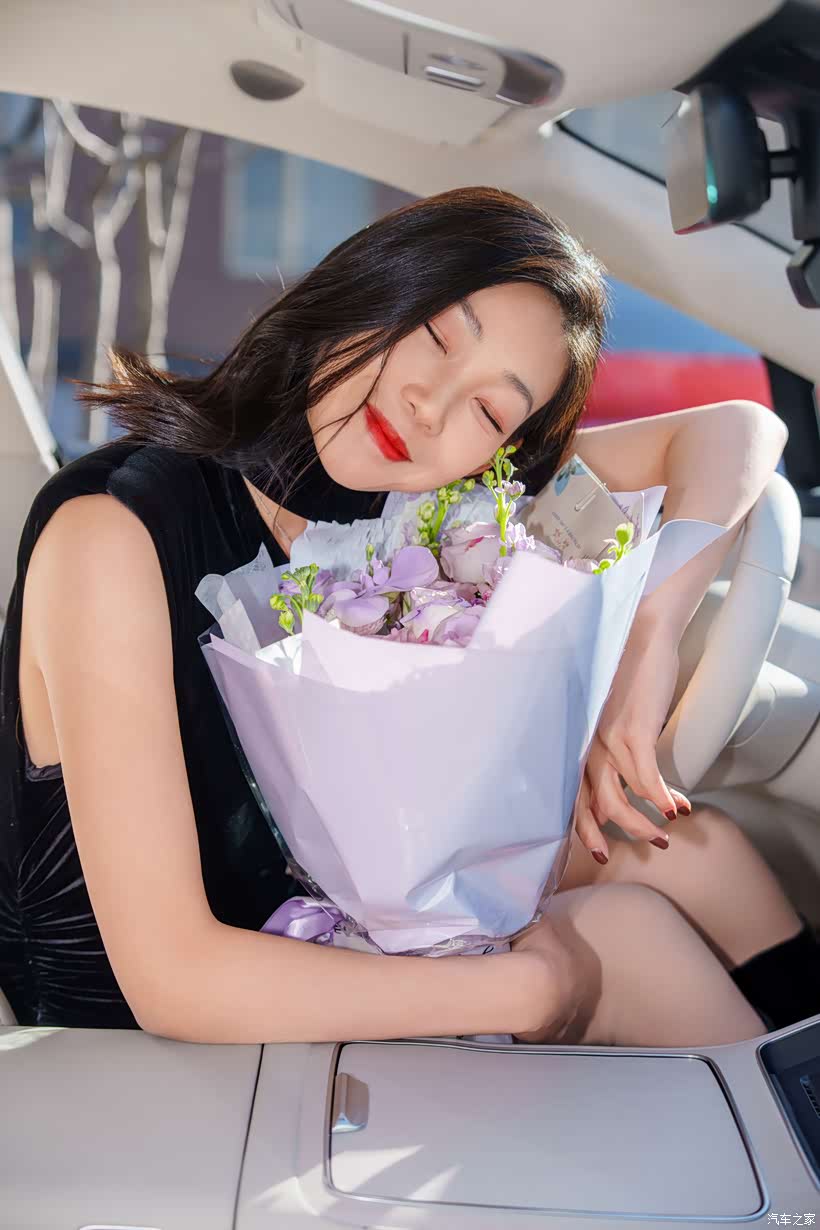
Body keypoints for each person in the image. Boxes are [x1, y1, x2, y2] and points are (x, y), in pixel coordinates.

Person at [0, 186, 814, 1047]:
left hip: (338, 906)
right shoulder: (112, 531)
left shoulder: (412, 503)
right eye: (435, 335)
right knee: (630, 941)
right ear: (369, 286)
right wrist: (526, 992)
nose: (432, 404)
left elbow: (737, 434)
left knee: (699, 853)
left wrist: (650, 647)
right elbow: (174, 981)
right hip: (146, 1040)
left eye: (490, 410)